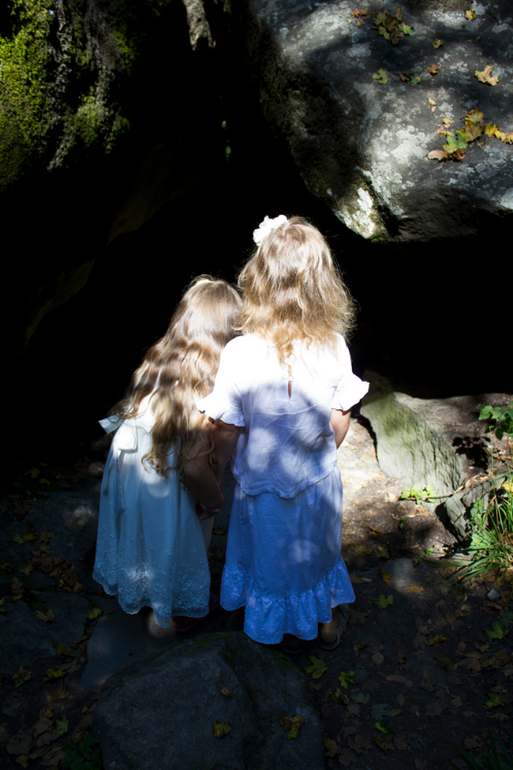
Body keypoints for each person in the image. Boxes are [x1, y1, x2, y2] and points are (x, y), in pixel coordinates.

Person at [198, 216, 369, 652]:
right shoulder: (333, 343)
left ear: (258, 277)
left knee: (269, 552)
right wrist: (319, 452)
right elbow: (340, 419)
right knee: (316, 548)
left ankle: (264, 629)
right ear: (323, 282)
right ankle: (326, 622)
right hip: (317, 478)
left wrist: (222, 467)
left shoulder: (240, 353)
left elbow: (226, 427)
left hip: (262, 482)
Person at [93, 276, 241, 631]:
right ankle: (172, 607)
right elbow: (195, 466)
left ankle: (147, 588)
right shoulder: (211, 386)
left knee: (144, 529)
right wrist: (215, 499)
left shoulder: (161, 359)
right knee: (180, 531)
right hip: (167, 473)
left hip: (134, 465)